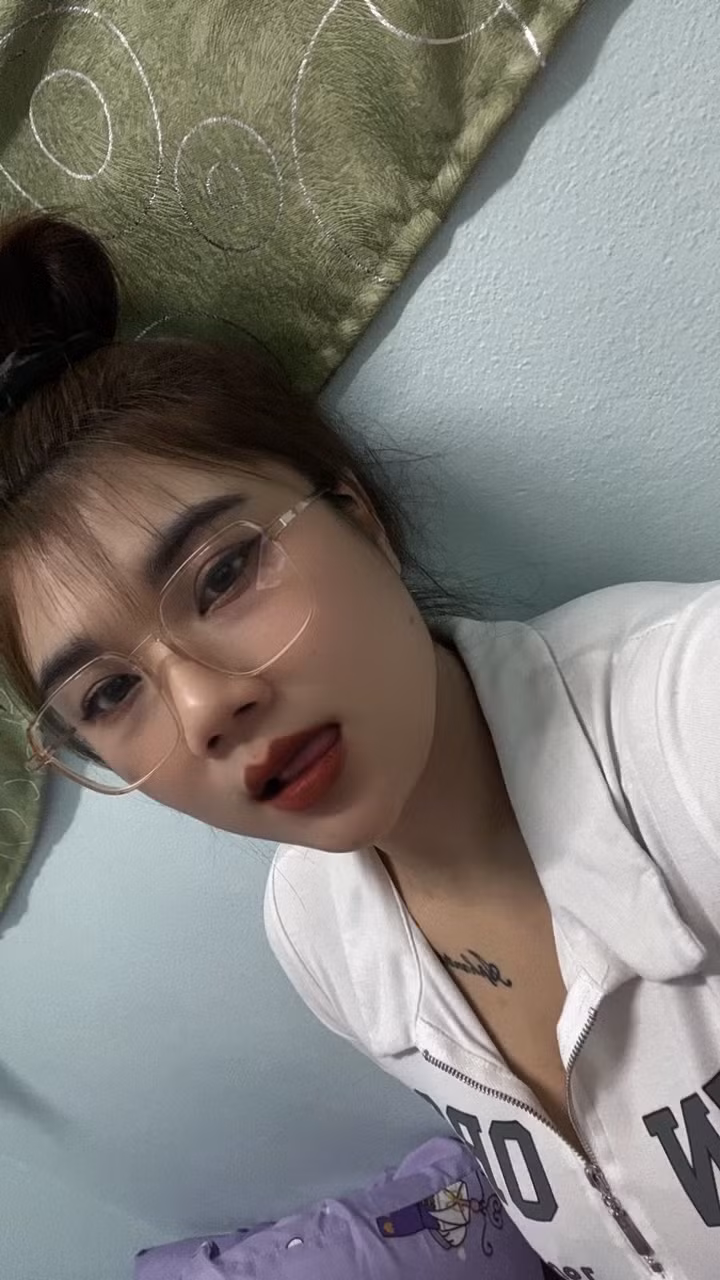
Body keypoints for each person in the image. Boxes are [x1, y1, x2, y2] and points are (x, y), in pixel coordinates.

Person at [0, 214, 718, 1280]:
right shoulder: (316, 930)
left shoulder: (690, 717)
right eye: (108, 693)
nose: (203, 708)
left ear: (360, 515)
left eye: (223, 575)